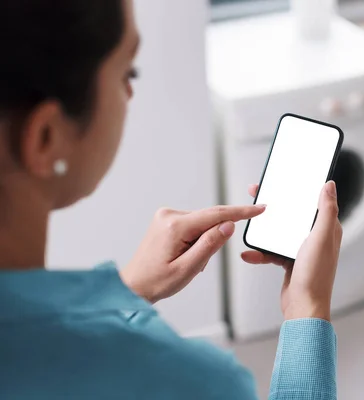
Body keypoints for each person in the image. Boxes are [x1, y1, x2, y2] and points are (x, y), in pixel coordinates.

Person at [0, 0, 343, 399]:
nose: (129, 93)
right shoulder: (189, 383)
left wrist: (128, 292)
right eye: (128, 72)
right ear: (46, 137)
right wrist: (308, 308)